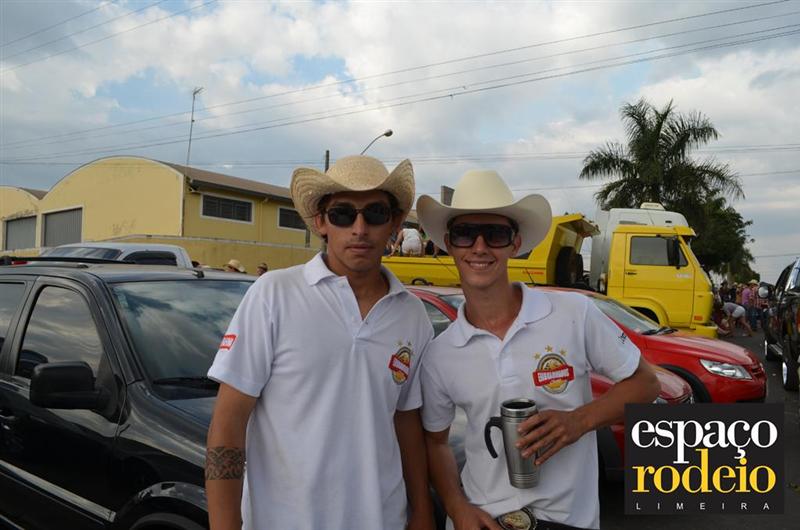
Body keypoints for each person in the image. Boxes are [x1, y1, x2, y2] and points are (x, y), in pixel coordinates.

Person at [416, 169, 660, 530]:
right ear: (449, 244)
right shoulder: (440, 353)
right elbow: (435, 443)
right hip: (483, 520)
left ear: (515, 244)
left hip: (567, 521)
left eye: (495, 234)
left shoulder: (574, 313)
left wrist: (578, 421)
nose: (479, 248)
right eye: (465, 234)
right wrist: (456, 506)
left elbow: (647, 384)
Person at [205, 155, 435, 530]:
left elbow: (406, 420)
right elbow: (228, 423)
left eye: (375, 213)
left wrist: (422, 511)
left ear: (394, 223)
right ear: (321, 222)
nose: (359, 228)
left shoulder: (411, 314)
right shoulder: (274, 294)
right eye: (343, 214)